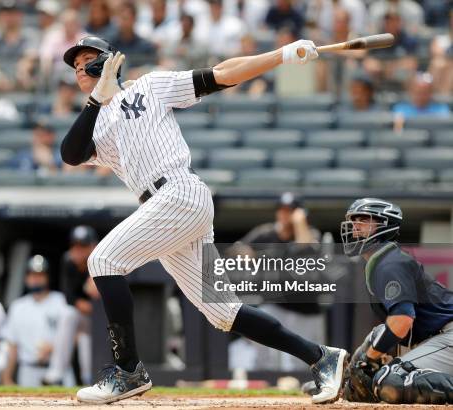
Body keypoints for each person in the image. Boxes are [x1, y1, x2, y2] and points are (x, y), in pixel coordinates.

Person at [60, 35, 348, 404]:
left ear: (110, 61)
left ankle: (128, 370)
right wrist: (97, 98)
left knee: (103, 260)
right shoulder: (96, 122)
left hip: (179, 192)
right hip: (162, 209)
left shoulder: (149, 86)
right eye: (76, 65)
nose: (82, 68)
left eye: (89, 60)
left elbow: (222, 74)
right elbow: (70, 154)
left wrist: (281, 55)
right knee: (222, 312)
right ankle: (322, 357)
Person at [338, 198, 453, 404]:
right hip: (434, 337)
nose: (355, 226)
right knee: (374, 340)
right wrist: (359, 371)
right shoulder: (382, 260)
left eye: (364, 219)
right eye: (354, 220)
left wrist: (368, 360)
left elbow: (402, 321)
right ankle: (343, 384)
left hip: (448, 335)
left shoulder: (390, 264)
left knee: (393, 380)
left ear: (385, 225)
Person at [229, 192, 324, 372]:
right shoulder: (266, 233)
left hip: (304, 308)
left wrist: (299, 222)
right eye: (282, 210)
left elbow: (307, 248)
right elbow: (237, 249)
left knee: (298, 363)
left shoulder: (309, 232)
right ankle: (264, 383)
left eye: (290, 211)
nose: (285, 214)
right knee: (260, 339)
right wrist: (247, 254)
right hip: (276, 303)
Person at [1, 255, 80, 387]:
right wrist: (7, 377)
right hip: (28, 370)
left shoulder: (62, 301)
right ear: (26, 278)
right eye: (32, 275)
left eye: (40, 275)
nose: (36, 279)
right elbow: (12, 345)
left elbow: (78, 335)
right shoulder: (17, 306)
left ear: (48, 277)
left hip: (59, 369)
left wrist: (55, 347)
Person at [60, 226, 100, 384]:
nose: (79, 250)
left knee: (88, 345)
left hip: (105, 319)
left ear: (94, 246)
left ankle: (90, 379)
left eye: (83, 246)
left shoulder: (101, 260)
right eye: (76, 245)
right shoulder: (69, 262)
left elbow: (95, 293)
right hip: (85, 315)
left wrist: (91, 268)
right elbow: (69, 297)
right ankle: (56, 373)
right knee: (69, 316)